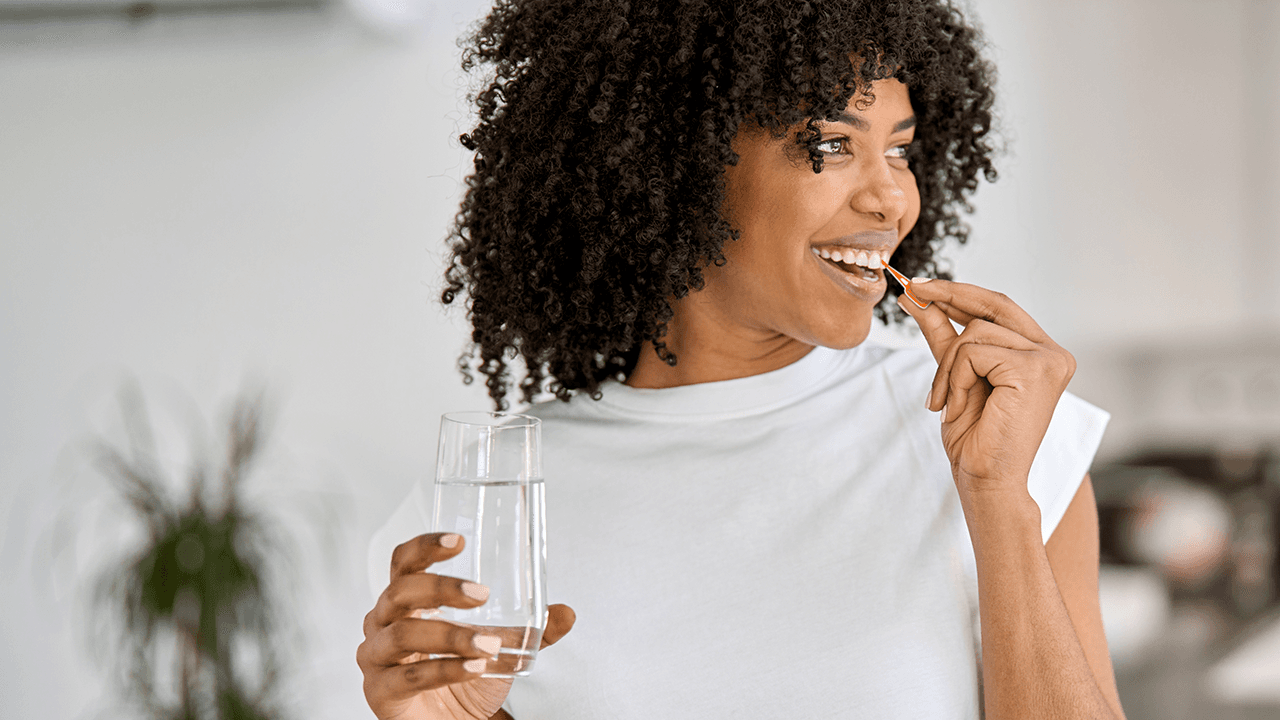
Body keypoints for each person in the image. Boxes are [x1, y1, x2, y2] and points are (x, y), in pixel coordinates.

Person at [357, 0, 1126, 718]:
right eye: (831, 145)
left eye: (899, 149)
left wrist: (999, 501)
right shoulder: (485, 506)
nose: (892, 199)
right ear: (679, 158)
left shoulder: (996, 435)